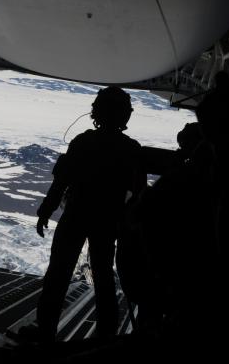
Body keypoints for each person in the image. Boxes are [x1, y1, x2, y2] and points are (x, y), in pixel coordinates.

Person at [33, 86, 144, 342]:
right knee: (103, 273)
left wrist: (45, 211)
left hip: (76, 215)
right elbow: (138, 192)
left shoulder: (83, 142)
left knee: (59, 273)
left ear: (96, 111)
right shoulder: (131, 148)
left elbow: (61, 182)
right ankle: (106, 334)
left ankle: (45, 330)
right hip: (107, 220)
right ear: (125, 116)